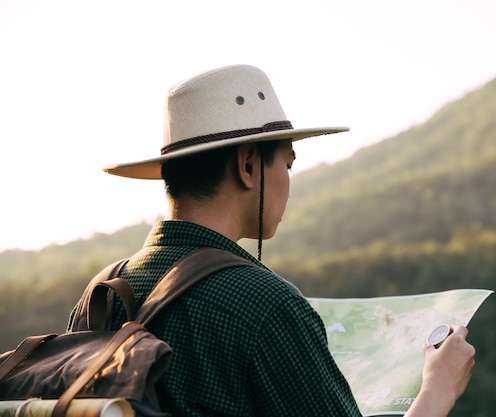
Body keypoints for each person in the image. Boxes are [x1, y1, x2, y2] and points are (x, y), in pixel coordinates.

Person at [74, 64, 475, 416]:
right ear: (248, 165)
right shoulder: (264, 305)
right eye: (287, 162)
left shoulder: (100, 294)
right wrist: (436, 392)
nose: (288, 178)